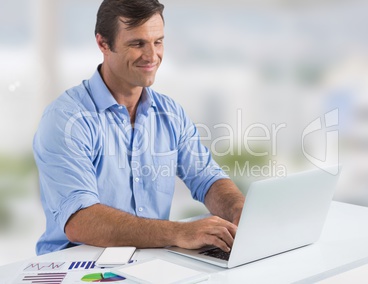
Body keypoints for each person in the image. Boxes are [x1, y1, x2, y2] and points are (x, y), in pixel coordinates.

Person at [33, 0, 245, 256]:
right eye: (137, 43)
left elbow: (207, 178)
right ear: (103, 44)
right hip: (76, 267)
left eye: (158, 42)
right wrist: (180, 232)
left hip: (149, 261)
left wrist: (238, 209)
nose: (152, 56)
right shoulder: (66, 119)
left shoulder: (170, 113)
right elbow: (81, 221)